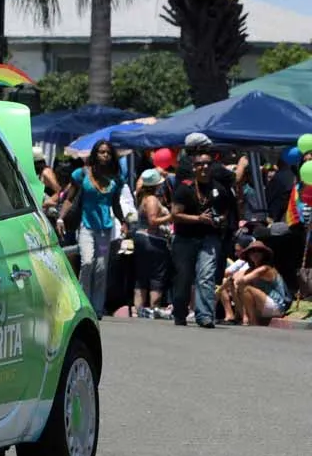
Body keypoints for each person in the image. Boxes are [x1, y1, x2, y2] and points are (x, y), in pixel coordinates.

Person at [57, 140, 125, 318]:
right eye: (101, 152)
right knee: (87, 262)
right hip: (86, 226)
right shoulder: (82, 174)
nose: (105, 155)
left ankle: (97, 308)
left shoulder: (115, 179)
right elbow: (69, 199)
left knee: (101, 267)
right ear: (95, 154)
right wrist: (60, 218)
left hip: (105, 229)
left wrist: (124, 221)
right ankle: (84, 305)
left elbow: (116, 204)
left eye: (108, 152)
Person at [171, 150, 232, 328]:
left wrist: (219, 219)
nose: (204, 167)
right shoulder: (185, 188)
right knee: (184, 277)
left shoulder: (219, 189)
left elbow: (225, 212)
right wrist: (198, 218)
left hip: (209, 237)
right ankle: (180, 312)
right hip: (185, 238)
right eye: (199, 164)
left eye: (207, 164)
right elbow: (175, 215)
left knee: (206, 275)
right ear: (194, 168)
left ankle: (205, 315)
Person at [132, 169, 173, 318]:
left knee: (142, 276)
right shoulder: (152, 200)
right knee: (157, 275)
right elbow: (153, 221)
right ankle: (153, 307)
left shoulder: (142, 197)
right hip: (153, 240)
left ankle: (139, 309)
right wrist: (171, 216)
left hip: (142, 238)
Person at [232, 240, 292, 325]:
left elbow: (242, 280)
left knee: (247, 289)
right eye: (252, 251)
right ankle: (245, 317)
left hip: (277, 306)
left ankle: (253, 321)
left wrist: (235, 279)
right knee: (237, 288)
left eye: (259, 251)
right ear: (248, 255)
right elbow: (237, 279)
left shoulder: (265, 269)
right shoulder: (251, 270)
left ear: (264, 254)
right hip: (263, 305)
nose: (255, 253)